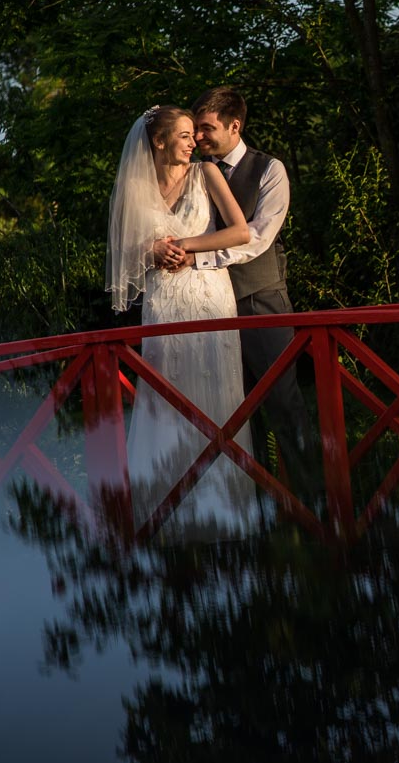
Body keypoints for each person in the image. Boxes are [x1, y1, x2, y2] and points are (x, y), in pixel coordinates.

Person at [107, 104, 263, 541]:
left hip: (209, 294)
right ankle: (164, 510)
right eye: (184, 134)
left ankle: (225, 510)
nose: (194, 140)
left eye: (195, 133)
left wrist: (186, 246)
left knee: (218, 390)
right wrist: (152, 253)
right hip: (163, 301)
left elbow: (240, 232)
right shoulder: (134, 185)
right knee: (166, 393)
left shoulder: (206, 174)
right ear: (158, 141)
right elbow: (124, 254)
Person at [158, 86, 315, 503]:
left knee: (283, 402)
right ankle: (258, 504)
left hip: (261, 301)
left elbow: (260, 237)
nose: (200, 137)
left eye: (207, 128)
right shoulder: (194, 171)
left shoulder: (270, 169)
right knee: (235, 412)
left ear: (234, 125)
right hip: (212, 306)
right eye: (196, 129)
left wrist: (196, 259)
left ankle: (311, 503)